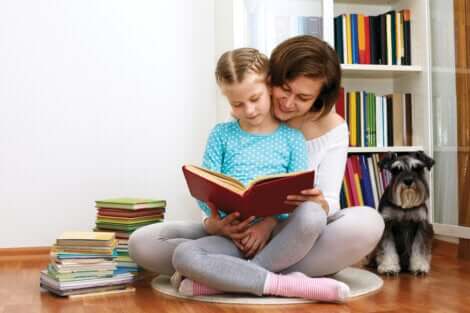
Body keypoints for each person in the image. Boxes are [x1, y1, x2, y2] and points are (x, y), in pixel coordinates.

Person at [129, 36, 384, 302]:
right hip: (233, 233)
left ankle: (228, 277)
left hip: (287, 232)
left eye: (303, 97)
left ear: (319, 98)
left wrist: (313, 205)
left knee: (353, 220)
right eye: (284, 89)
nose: (287, 102)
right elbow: (212, 186)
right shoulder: (239, 119)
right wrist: (214, 224)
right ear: (270, 80)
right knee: (148, 244)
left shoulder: (313, 133)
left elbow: (322, 204)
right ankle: (279, 281)